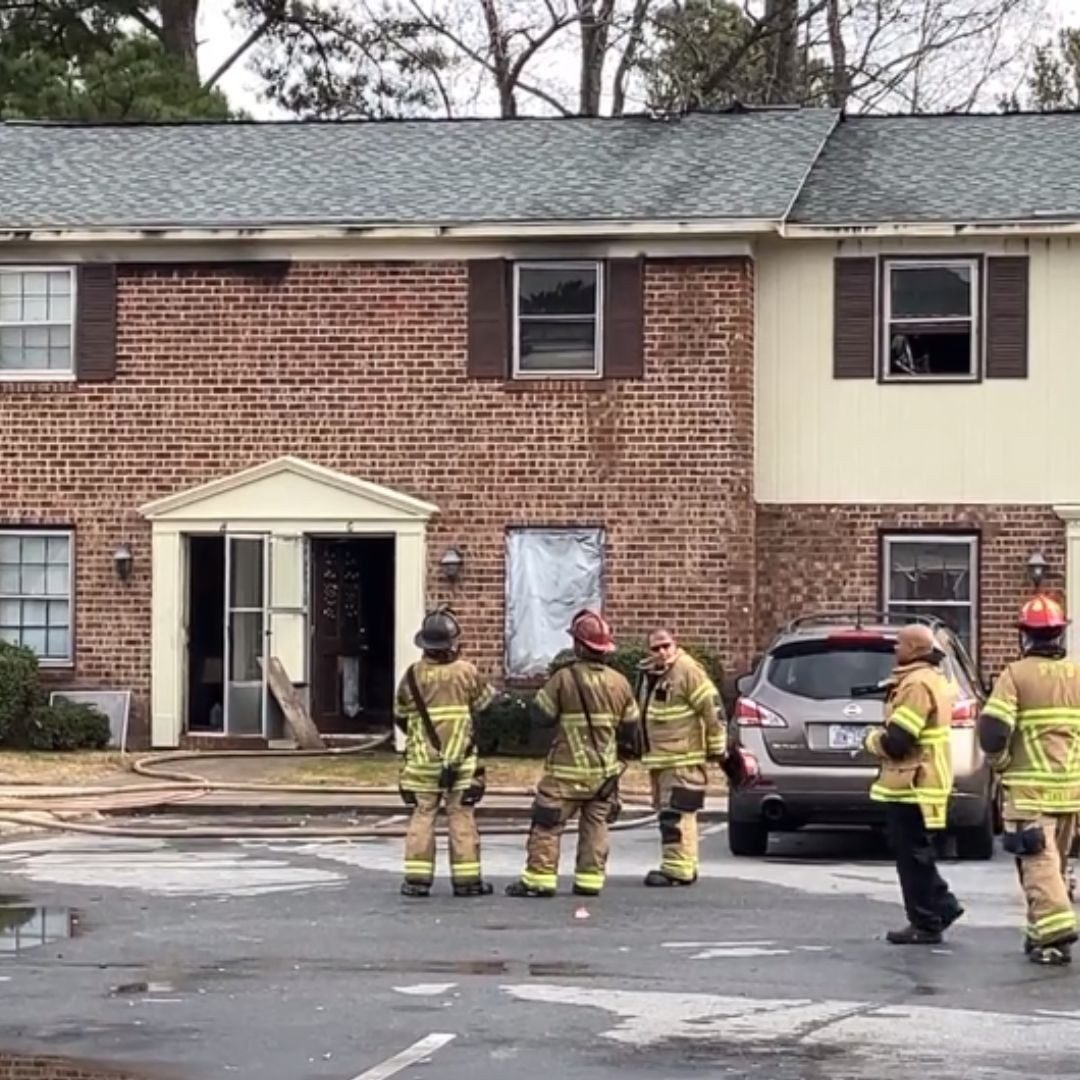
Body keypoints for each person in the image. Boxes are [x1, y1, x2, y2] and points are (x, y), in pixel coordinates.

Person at [505, 609, 641, 898]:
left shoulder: (562, 679)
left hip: (564, 774)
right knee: (596, 827)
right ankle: (589, 882)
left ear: (579, 646)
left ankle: (539, 880)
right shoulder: (620, 682)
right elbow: (631, 730)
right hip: (604, 775)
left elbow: (541, 716)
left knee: (547, 823)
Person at [979, 594, 1080, 966]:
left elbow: (991, 730)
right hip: (1070, 791)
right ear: (1059, 636)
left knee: (1037, 864)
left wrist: (1000, 761)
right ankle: (1039, 935)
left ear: (1025, 637)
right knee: (1055, 866)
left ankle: (1056, 933)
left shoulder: (1015, 675)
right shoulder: (1077, 674)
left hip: (1029, 791)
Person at [862, 623, 964, 944]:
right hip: (924, 780)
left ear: (916, 650)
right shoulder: (929, 679)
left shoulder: (916, 685)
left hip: (914, 783)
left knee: (912, 857)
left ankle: (926, 922)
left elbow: (899, 742)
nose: (895, 650)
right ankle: (941, 907)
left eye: (900, 644)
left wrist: (870, 740)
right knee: (916, 853)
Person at [395, 606, 497, 899]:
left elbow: (400, 714)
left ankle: (416, 880)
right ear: (454, 643)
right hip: (462, 763)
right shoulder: (466, 672)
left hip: (422, 763)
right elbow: (485, 706)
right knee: (461, 816)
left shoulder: (412, 675)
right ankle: (467, 882)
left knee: (422, 815)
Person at [636, 628, 728, 887]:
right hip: (662, 759)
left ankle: (677, 869)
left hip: (682, 759)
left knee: (675, 814)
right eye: (655, 648)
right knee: (675, 813)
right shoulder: (650, 675)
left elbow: (712, 707)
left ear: (675, 646)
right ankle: (685, 864)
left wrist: (717, 748)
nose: (662, 652)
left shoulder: (687, 670)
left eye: (666, 646)